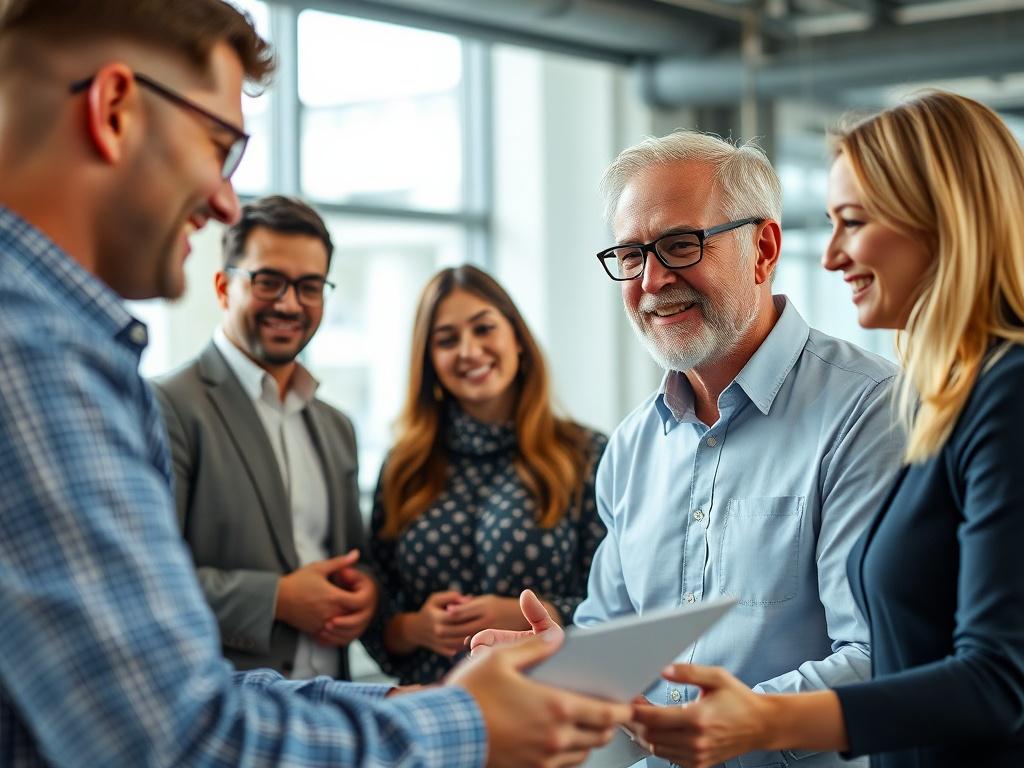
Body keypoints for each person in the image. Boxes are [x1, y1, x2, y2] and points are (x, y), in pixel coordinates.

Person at [0, 1, 631, 765]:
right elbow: (175, 740)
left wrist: (427, 704)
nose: (225, 197)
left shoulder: (74, 354)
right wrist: (466, 724)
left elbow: (184, 693)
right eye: (218, 144)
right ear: (114, 110)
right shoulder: (39, 358)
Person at [472, 131, 906, 767]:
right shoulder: (631, 448)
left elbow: (882, 657)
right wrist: (557, 664)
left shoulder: (868, 412)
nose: (653, 280)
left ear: (763, 248)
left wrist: (740, 724)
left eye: (680, 245)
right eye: (630, 254)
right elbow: (615, 642)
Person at [618, 91, 1024, 768]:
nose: (831, 258)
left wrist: (759, 720)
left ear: (944, 222)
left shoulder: (1003, 396)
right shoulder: (951, 397)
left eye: (853, 222)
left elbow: (999, 681)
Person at [153, 195, 376, 680]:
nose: (290, 303)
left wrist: (366, 594)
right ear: (222, 287)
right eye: (268, 281)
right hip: (228, 718)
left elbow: (356, 559)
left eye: (309, 286)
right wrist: (278, 600)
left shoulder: (336, 426)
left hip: (334, 711)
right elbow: (147, 582)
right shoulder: (166, 406)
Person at [361, 265, 608, 685]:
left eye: (483, 329)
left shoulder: (586, 456)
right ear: (430, 362)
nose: (468, 351)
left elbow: (621, 607)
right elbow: (377, 610)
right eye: (446, 340)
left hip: (547, 710)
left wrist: (531, 613)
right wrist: (413, 628)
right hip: (427, 715)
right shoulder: (404, 465)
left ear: (518, 340)